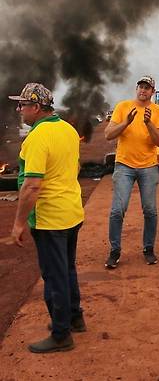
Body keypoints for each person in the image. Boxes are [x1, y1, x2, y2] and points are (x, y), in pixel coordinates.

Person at [7, 83, 85, 353]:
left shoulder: (38, 137)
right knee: (68, 269)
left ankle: (62, 334)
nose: (19, 110)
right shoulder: (68, 130)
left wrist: (18, 223)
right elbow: (74, 167)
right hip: (72, 212)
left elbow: (31, 185)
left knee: (54, 276)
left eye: (22, 105)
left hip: (50, 218)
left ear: (37, 107)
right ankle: (75, 318)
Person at [104, 75, 159, 269]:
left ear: (153, 92)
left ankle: (148, 249)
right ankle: (115, 251)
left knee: (150, 210)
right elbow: (108, 134)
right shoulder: (123, 107)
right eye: (141, 86)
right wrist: (126, 123)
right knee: (117, 210)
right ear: (136, 88)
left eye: (147, 88)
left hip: (148, 166)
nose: (143, 90)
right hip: (124, 165)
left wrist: (148, 123)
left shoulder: (157, 112)